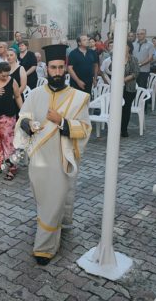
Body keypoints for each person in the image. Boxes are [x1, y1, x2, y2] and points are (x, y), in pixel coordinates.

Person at [14, 44, 91, 265]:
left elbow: (85, 129)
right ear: (46, 68)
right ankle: (59, 222)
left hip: (61, 159)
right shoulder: (35, 94)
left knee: (53, 202)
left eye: (60, 68)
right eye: (52, 68)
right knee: (44, 199)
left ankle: (44, 248)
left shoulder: (78, 97)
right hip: (38, 159)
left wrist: (62, 122)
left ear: (65, 68)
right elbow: (23, 118)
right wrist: (28, 125)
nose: (57, 72)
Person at [121, 41, 140, 138]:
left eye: (124, 45)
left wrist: (123, 80)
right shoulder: (116, 57)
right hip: (118, 88)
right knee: (117, 108)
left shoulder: (133, 59)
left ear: (129, 47)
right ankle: (116, 128)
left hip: (129, 87)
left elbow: (135, 73)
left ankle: (124, 129)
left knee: (126, 108)